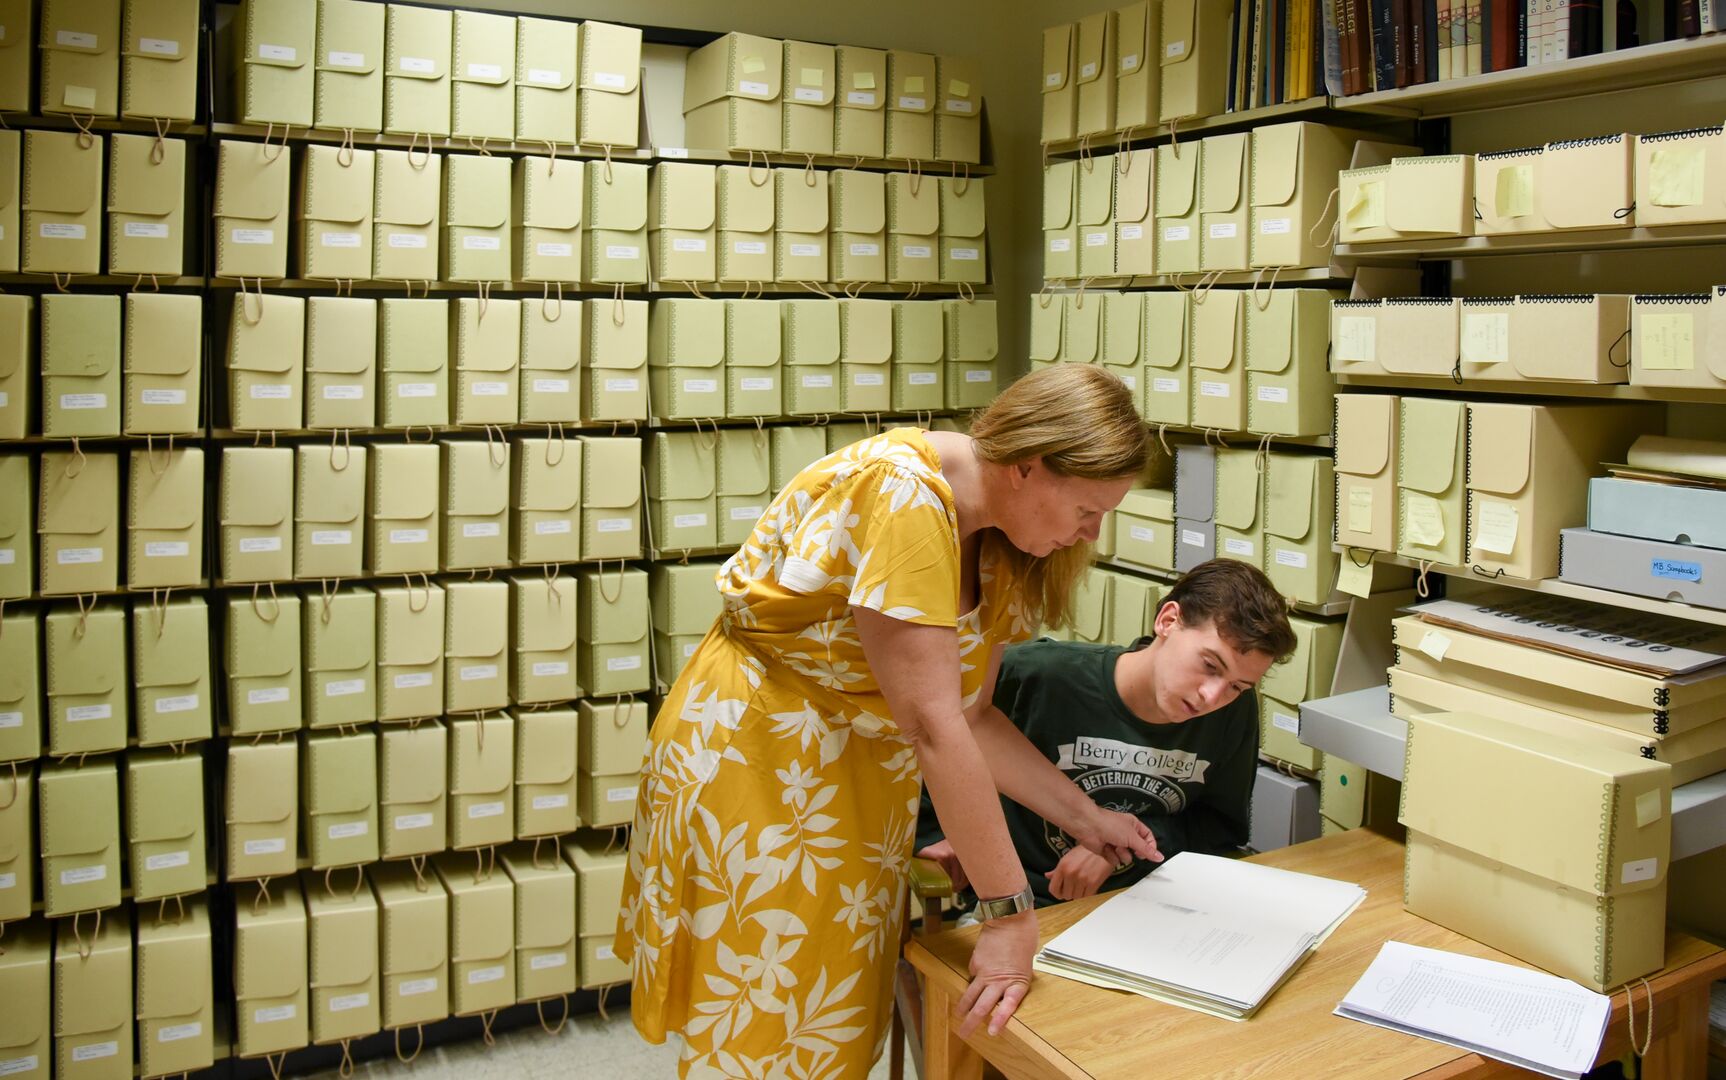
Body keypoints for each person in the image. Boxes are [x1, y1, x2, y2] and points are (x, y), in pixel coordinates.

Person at [615, 364, 1160, 1078]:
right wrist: (1010, 915)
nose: (1094, 530)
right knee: (763, 1024)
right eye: (1089, 509)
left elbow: (974, 714)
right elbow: (935, 725)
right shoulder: (903, 492)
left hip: (855, 778)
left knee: (829, 1015)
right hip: (762, 764)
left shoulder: (998, 537)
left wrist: (1088, 817)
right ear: (1028, 466)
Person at [916, 559, 1298, 908]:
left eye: (1237, 686)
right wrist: (936, 833)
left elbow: (1217, 830)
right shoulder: (1036, 676)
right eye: (1211, 665)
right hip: (1020, 903)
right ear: (1167, 620)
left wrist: (1121, 846)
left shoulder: (1233, 713)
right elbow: (939, 736)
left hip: (1150, 903)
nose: (1212, 696)